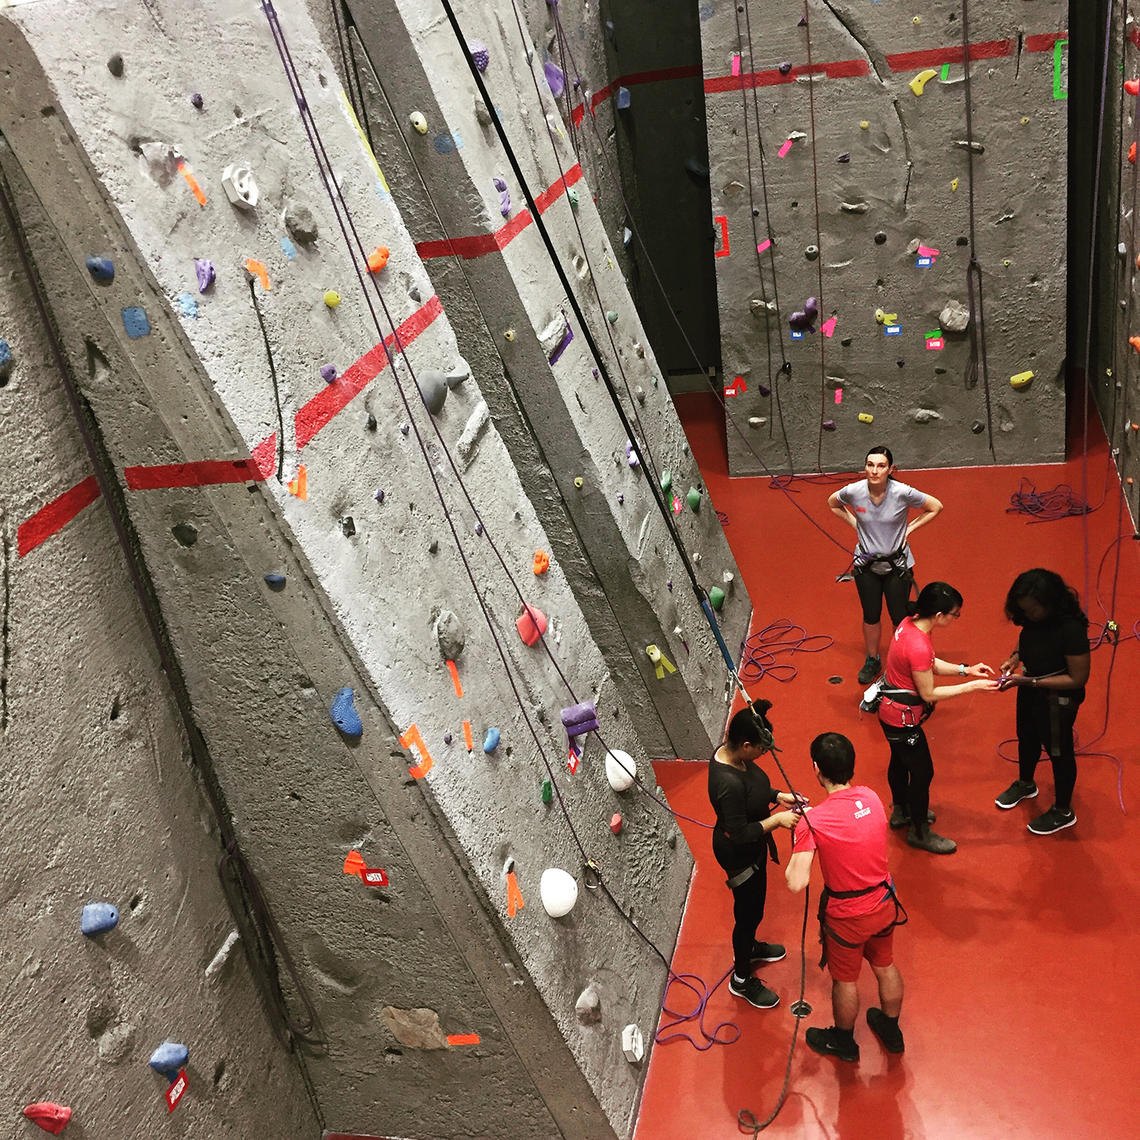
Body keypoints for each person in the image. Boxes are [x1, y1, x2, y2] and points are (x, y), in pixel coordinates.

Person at [786, 732, 905, 1062]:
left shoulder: (813, 822)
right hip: (884, 902)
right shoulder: (870, 796)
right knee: (885, 965)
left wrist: (800, 831)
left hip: (848, 917)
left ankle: (843, 1041)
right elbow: (848, 823)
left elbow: (796, 882)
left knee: (846, 980)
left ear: (816, 769)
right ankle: (891, 1029)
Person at [878, 581, 997, 854]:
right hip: (903, 718)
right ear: (940, 615)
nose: (956, 619)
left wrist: (965, 670)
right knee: (922, 772)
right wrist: (972, 687)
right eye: (955, 614)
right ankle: (919, 831)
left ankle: (902, 810)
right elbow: (929, 692)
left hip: (890, 712)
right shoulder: (918, 643)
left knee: (899, 761)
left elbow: (928, 664)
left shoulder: (910, 624)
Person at [708, 704, 803, 1009]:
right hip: (738, 853)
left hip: (753, 847)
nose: (764, 754)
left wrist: (778, 796)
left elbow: (754, 788)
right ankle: (741, 978)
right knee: (747, 915)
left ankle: (749, 947)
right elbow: (739, 833)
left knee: (755, 909)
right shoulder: (727, 783)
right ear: (746, 745)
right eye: (761, 749)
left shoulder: (734, 756)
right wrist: (776, 821)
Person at [827, 446, 943, 685]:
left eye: (881, 466)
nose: (874, 471)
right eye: (870, 465)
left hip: (896, 565)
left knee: (899, 617)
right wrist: (855, 524)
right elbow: (833, 503)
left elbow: (935, 506)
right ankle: (873, 659)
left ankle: (901, 659)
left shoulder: (902, 492)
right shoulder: (854, 491)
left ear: (890, 469)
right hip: (867, 565)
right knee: (870, 615)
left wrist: (909, 529)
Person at [994, 569, 1091, 835]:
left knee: (1059, 752)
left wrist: (1030, 682)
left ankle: (1063, 811)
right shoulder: (1032, 617)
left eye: (1033, 610)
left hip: (1057, 699)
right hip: (1031, 688)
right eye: (1024, 610)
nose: (1028, 615)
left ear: (1050, 603)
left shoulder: (1071, 629)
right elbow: (1028, 636)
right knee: (1026, 738)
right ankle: (1026, 783)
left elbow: (1077, 678)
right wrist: (1015, 657)